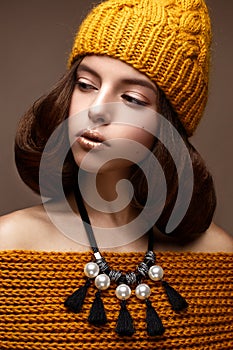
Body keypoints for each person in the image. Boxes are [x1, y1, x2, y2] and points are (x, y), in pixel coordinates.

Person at [0, 0, 232, 349]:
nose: (95, 110)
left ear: (168, 126)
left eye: (132, 98)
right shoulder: (9, 245)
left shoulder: (219, 259)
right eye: (86, 84)